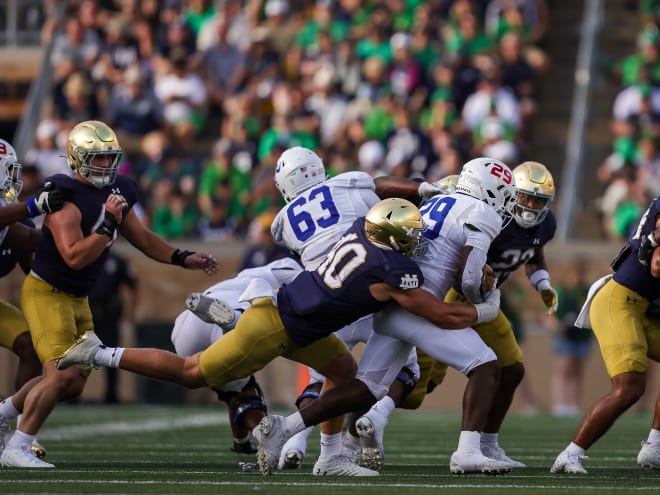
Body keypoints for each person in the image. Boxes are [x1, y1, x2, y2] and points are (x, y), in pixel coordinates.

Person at [56, 197, 501, 477]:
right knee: (192, 372)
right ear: (392, 238)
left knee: (346, 373)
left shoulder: (356, 234)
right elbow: (439, 312)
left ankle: (330, 457)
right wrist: (485, 307)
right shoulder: (394, 270)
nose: (416, 243)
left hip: (302, 319)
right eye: (409, 236)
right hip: (278, 327)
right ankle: (102, 353)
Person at [255, 156, 518, 476]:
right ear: (490, 191)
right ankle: (468, 451)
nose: (506, 203)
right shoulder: (483, 212)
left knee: (368, 388)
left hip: (391, 305)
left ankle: (287, 427)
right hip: (418, 306)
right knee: (485, 365)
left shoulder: (438, 200)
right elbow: (469, 280)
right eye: (504, 194)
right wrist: (485, 303)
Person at [0, 120, 217, 468]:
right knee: (61, 375)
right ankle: (19, 445)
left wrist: (181, 257)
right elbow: (75, 256)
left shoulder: (122, 189)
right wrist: (106, 224)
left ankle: (4, 411)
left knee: (73, 386)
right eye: (96, 159)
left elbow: (142, 238)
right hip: (48, 294)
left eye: (108, 158)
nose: (104, 166)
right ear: (76, 158)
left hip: (77, 298)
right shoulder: (62, 194)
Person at [551, 196, 660, 474]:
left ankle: (654, 447)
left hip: (645, 307)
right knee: (630, 388)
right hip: (621, 301)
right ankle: (570, 455)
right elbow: (657, 264)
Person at [180, 257, 303, 454]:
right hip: (236, 314)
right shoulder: (292, 268)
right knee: (246, 394)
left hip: (191, 321)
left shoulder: (250, 272)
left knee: (233, 390)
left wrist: (241, 443)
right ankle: (261, 434)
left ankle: (242, 442)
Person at [0, 138, 65, 460]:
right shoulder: (17, 215)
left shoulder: (16, 217)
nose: (15, 178)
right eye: (9, 171)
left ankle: (19, 430)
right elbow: (22, 234)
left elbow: (33, 257)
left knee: (28, 344)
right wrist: (35, 206)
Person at [88, 251, 138, 404]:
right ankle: (71, 393)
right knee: (77, 354)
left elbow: (133, 285)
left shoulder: (117, 260)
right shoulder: (84, 258)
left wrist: (130, 314)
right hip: (86, 313)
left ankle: (111, 393)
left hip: (109, 314)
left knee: (112, 354)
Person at [549, 258, 593, 417]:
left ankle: (573, 404)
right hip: (565, 337)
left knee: (577, 370)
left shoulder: (586, 291)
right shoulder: (560, 291)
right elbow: (548, 314)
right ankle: (559, 404)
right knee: (563, 369)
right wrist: (556, 325)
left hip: (582, 336)